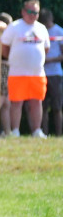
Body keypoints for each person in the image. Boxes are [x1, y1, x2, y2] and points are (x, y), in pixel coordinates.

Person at [1, 0, 50, 137]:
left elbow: (46, 49)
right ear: (23, 12)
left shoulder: (41, 28)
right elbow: (4, 47)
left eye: (36, 12)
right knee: (16, 102)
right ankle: (15, 131)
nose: (32, 15)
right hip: (17, 72)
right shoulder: (14, 27)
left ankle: (36, 131)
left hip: (37, 73)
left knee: (37, 102)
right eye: (30, 11)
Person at [41, 8, 62, 136]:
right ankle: (44, 133)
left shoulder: (59, 32)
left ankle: (59, 134)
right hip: (41, 74)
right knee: (42, 108)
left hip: (56, 74)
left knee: (57, 107)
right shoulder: (40, 31)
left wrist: (50, 59)